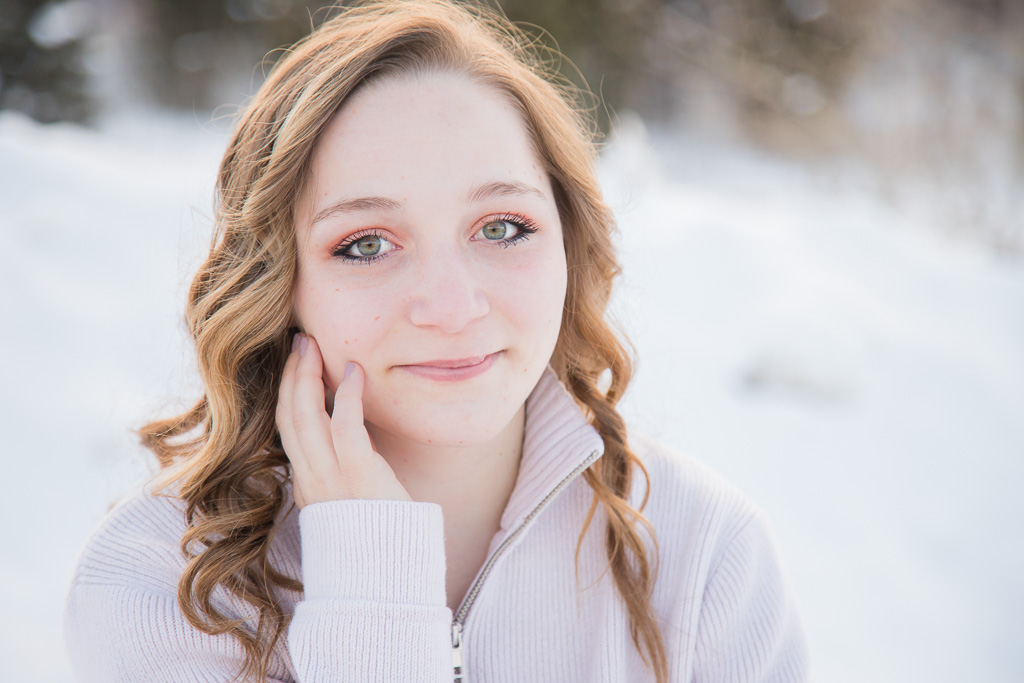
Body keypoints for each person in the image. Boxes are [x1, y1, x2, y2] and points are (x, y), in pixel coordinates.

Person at [64, 1, 809, 681]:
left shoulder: (707, 552)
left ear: (569, 247)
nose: (453, 307)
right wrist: (369, 579)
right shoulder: (162, 580)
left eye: (502, 228)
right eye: (365, 244)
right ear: (279, 282)